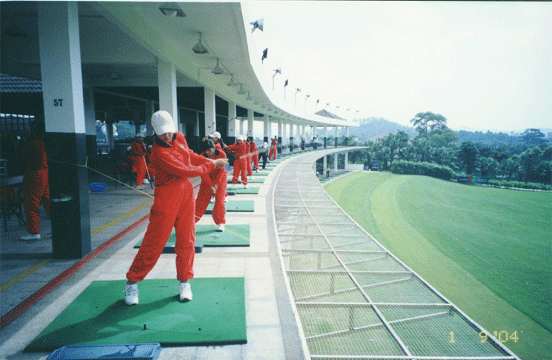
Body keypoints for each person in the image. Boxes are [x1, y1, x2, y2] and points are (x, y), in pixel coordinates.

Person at [124, 110, 227, 306]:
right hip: (166, 195)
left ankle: (184, 283)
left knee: (187, 239)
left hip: (186, 193)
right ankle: (132, 282)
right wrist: (212, 164)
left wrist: (209, 161)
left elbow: (188, 155)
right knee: (154, 242)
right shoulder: (158, 153)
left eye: (169, 131)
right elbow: (185, 170)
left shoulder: (178, 137)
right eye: (163, 133)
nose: (168, 136)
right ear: (154, 131)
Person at [14, 119, 50, 241]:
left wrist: (17, 144)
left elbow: (19, 156)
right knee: (48, 201)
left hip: (34, 174)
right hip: (45, 172)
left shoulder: (32, 142)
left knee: (30, 204)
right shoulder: (44, 142)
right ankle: (60, 224)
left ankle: (34, 232)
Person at [195, 139, 227, 232]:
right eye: (207, 150)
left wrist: (216, 184)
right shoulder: (201, 157)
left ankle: (221, 222)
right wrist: (211, 185)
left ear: (214, 148)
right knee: (200, 202)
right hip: (206, 181)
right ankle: (192, 222)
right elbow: (204, 174)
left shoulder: (222, 154)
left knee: (220, 200)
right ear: (203, 151)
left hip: (220, 179)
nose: (209, 152)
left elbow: (221, 171)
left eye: (211, 149)